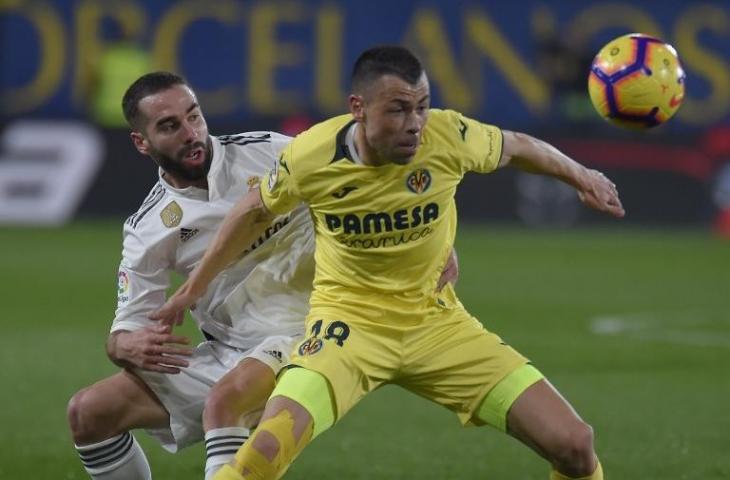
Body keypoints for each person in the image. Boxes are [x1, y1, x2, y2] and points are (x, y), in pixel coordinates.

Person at [154, 46, 624, 480]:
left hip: (437, 324)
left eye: (421, 105)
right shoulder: (313, 155)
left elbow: (518, 145)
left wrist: (582, 176)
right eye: (398, 109)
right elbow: (254, 209)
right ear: (358, 108)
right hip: (347, 328)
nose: (415, 122)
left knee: (575, 445)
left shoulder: (449, 135)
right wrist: (194, 287)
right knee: (265, 451)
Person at [67, 71, 312, 480]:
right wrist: (125, 346)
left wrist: (434, 243)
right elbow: (124, 329)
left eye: (194, 116)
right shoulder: (149, 228)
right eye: (169, 126)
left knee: (224, 403)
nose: (190, 133)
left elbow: (362, 181)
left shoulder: (271, 151)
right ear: (140, 142)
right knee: (89, 412)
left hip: (309, 330)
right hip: (231, 353)